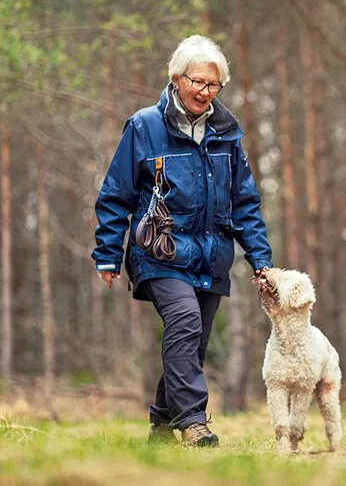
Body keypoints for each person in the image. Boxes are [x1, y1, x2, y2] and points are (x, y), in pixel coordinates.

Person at [92, 35, 273, 447]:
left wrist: (260, 259)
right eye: (197, 83)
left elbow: (244, 201)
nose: (205, 93)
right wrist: (107, 256)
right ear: (176, 79)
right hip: (160, 253)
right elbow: (115, 194)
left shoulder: (227, 133)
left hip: (211, 257)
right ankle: (193, 423)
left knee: (191, 343)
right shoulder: (144, 127)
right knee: (185, 323)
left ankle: (160, 424)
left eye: (213, 86)